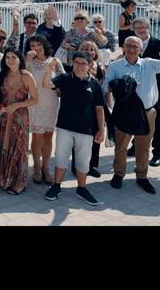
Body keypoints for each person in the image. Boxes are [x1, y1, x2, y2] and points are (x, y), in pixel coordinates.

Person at [104, 35, 160, 194]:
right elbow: (105, 87)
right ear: (123, 47)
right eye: (128, 45)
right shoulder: (115, 66)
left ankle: (142, 177)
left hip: (147, 112)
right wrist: (119, 85)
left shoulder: (149, 64)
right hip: (124, 111)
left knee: (143, 147)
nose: (131, 49)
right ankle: (118, 174)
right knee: (121, 146)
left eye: (135, 46)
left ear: (141, 50)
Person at [44, 52, 106, 205]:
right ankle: (56, 186)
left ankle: (82, 188)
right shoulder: (64, 79)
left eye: (83, 63)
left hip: (86, 130)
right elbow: (46, 85)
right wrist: (47, 71)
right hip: (65, 127)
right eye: (76, 62)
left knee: (83, 161)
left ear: (90, 65)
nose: (78, 66)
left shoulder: (95, 84)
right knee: (61, 158)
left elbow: (99, 109)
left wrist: (101, 130)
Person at [0, 50, 37, 194]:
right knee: (5, 145)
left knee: (19, 149)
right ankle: (6, 179)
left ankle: (20, 183)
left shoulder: (26, 76)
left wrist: (17, 105)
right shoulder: (2, 75)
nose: (10, 60)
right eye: (7, 57)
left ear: (19, 59)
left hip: (20, 118)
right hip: (4, 118)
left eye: (13, 57)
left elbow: (35, 99)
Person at [129, 17, 160, 168]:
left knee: (157, 123)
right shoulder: (130, 43)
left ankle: (158, 153)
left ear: (148, 28)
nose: (141, 30)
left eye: (143, 27)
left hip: (156, 90)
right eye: (137, 27)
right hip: (136, 90)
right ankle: (135, 146)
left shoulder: (158, 44)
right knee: (136, 118)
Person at [25, 35, 62, 185]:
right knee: (37, 137)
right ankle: (36, 167)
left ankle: (46, 167)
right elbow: (22, 78)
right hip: (35, 103)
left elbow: (62, 79)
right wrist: (26, 61)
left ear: (44, 45)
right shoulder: (29, 62)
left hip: (51, 102)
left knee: (48, 135)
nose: (35, 47)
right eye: (32, 45)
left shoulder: (55, 61)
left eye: (38, 44)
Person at [78, 40, 107, 177]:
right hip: (81, 106)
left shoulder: (101, 66)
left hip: (97, 106)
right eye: (85, 49)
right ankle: (77, 165)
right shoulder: (77, 66)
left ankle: (91, 166)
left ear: (95, 52)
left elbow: (104, 86)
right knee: (79, 137)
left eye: (91, 49)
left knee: (96, 136)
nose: (89, 51)